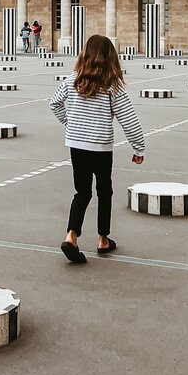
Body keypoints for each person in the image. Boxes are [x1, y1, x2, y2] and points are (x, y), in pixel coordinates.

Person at [49, 34, 145, 264]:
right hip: (101, 148)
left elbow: (54, 103)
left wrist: (71, 124)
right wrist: (138, 148)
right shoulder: (111, 86)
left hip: (77, 146)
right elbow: (128, 118)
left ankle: (71, 235)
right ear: (109, 58)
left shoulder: (72, 80)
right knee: (104, 191)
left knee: (81, 192)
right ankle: (103, 239)